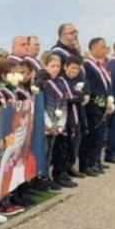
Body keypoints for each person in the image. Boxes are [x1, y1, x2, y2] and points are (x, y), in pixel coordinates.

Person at [80, 37, 113, 176]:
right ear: (93, 48)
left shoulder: (101, 64)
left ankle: (96, 160)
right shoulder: (88, 64)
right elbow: (91, 87)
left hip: (103, 105)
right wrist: (103, 102)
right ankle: (88, 163)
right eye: (102, 47)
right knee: (92, 136)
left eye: (105, 47)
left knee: (100, 136)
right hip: (94, 106)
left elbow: (106, 84)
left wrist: (109, 101)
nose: (105, 50)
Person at [41, 53, 72, 187]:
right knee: (44, 151)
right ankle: (42, 178)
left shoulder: (60, 82)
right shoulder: (43, 83)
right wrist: (49, 124)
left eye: (58, 66)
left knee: (50, 152)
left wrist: (60, 124)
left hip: (56, 123)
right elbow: (40, 106)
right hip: (46, 124)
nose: (55, 69)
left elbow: (63, 104)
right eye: (52, 66)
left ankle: (47, 177)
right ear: (45, 66)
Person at [60, 56, 87, 179]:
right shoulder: (61, 81)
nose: (75, 71)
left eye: (77, 69)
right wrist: (79, 96)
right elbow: (69, 98)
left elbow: (78, 97)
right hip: (65, 118)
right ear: (65, 67)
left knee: (75, 144)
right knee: (65, 146)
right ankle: (61, 172)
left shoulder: (76, 81)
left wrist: (79, 96)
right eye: (73, 68)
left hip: (76, 117)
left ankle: (70, 166)